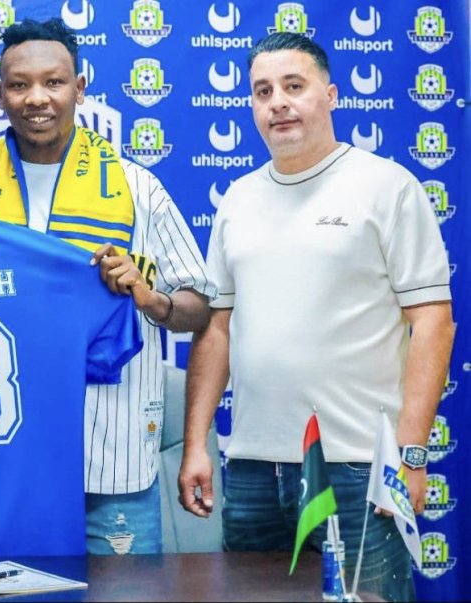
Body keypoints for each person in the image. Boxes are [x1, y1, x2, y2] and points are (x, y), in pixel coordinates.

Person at [177, 32, 454, 602]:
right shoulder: (237, 199)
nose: (277, 102)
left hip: (358, 469)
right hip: (251, 469)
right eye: (263, 91)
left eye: (293, 86)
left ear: (329, 96)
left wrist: (410, 456)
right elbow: (217, 329)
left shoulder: (387, 187)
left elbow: (432, 322)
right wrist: (197, 444)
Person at [0, 17, 216, 555]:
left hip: (111, 456)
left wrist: (151, 298)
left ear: (79, 88)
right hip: (1, 460)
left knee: (125, 593)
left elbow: (198, 307)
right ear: (0, 92)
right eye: (19, 84)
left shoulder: (136, 187)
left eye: (54, 82)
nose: (36, 98)